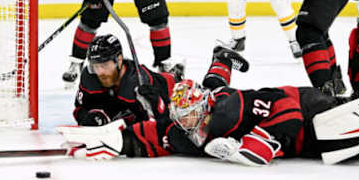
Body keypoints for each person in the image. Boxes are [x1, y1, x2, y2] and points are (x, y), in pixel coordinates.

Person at [59, 45, 359, 166]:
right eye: (181, 120)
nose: (186, 127)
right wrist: (118, 141)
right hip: (303, 143)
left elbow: (286, 107)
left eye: (190, 118)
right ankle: (221, 57)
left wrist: (259, 142)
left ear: (204, 110)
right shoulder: (185, 129)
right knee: (347, 149)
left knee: (343, 124)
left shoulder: (229, 109)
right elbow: (158, 134)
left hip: (309, 108)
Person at [72, 34, 246, 127]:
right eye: (96, 65)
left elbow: (157, 124)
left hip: (171, 93)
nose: (100, 72)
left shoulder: (136, 83)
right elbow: (80, 108)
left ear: (118, 60)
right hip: (144, 96)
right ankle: (174, 71)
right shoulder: (90, 76)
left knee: (212, 99)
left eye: (105, 65)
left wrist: (118, 125)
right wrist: (88, 116)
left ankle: (222, 59)